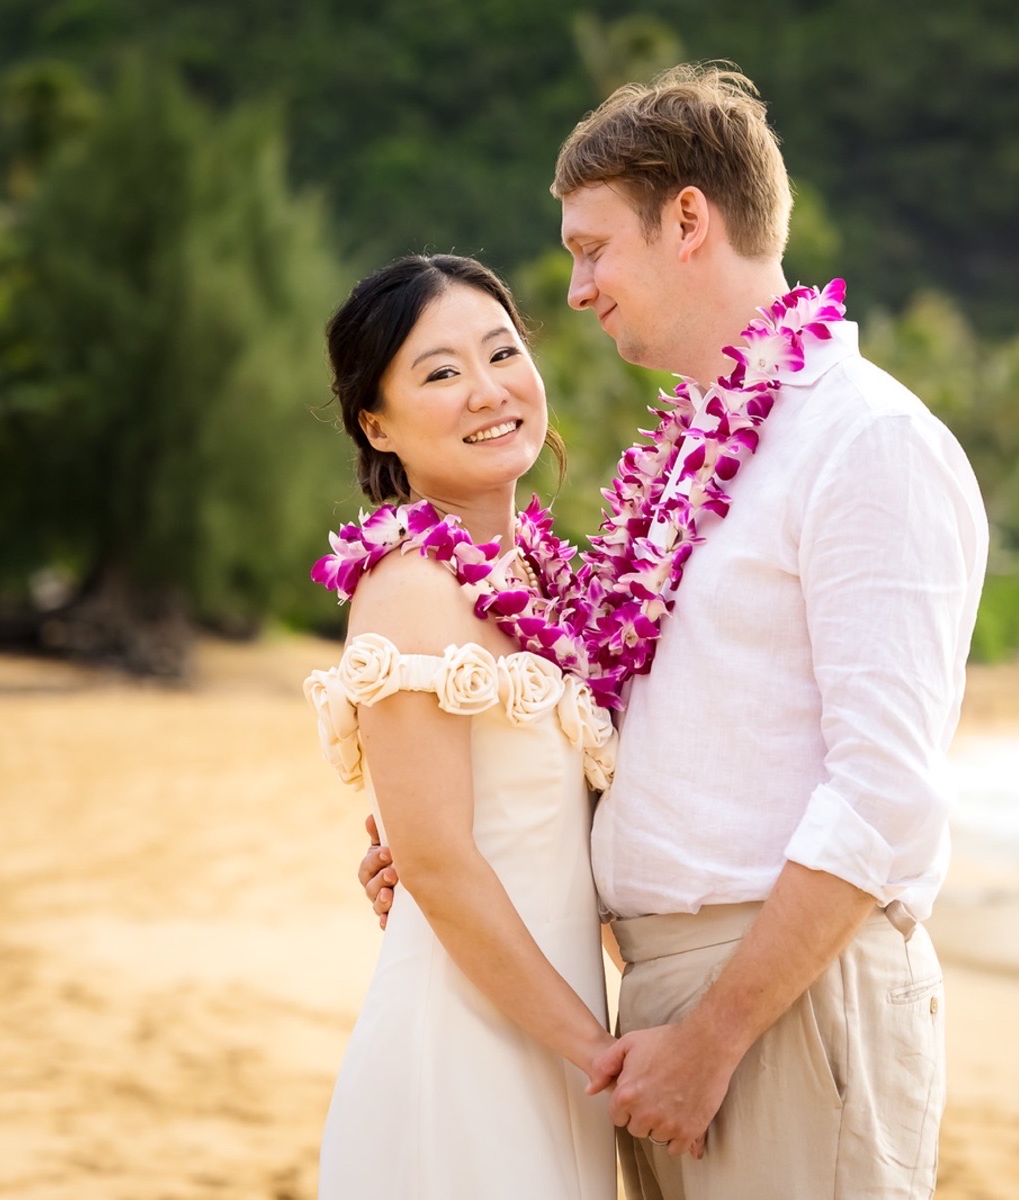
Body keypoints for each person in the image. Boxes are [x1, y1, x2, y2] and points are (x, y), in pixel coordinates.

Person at [358, 63, 989, 1200]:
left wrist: (718, 1034)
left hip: (782, 1000)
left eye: (592, 248)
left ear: (687, 219)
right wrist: (462, 836)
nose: (581, 290)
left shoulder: (866, 444)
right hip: (644, 1001)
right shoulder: (701, 466)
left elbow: (885, 793)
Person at [305, 253, 621, 1199]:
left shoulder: (548, 585)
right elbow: (438, 862)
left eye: (502, 353)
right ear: (376, 422)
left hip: (553, 1028)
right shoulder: (409, 587)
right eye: (440, 373)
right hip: (468, 1048)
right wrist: (601, 1055)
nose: (488, 392)